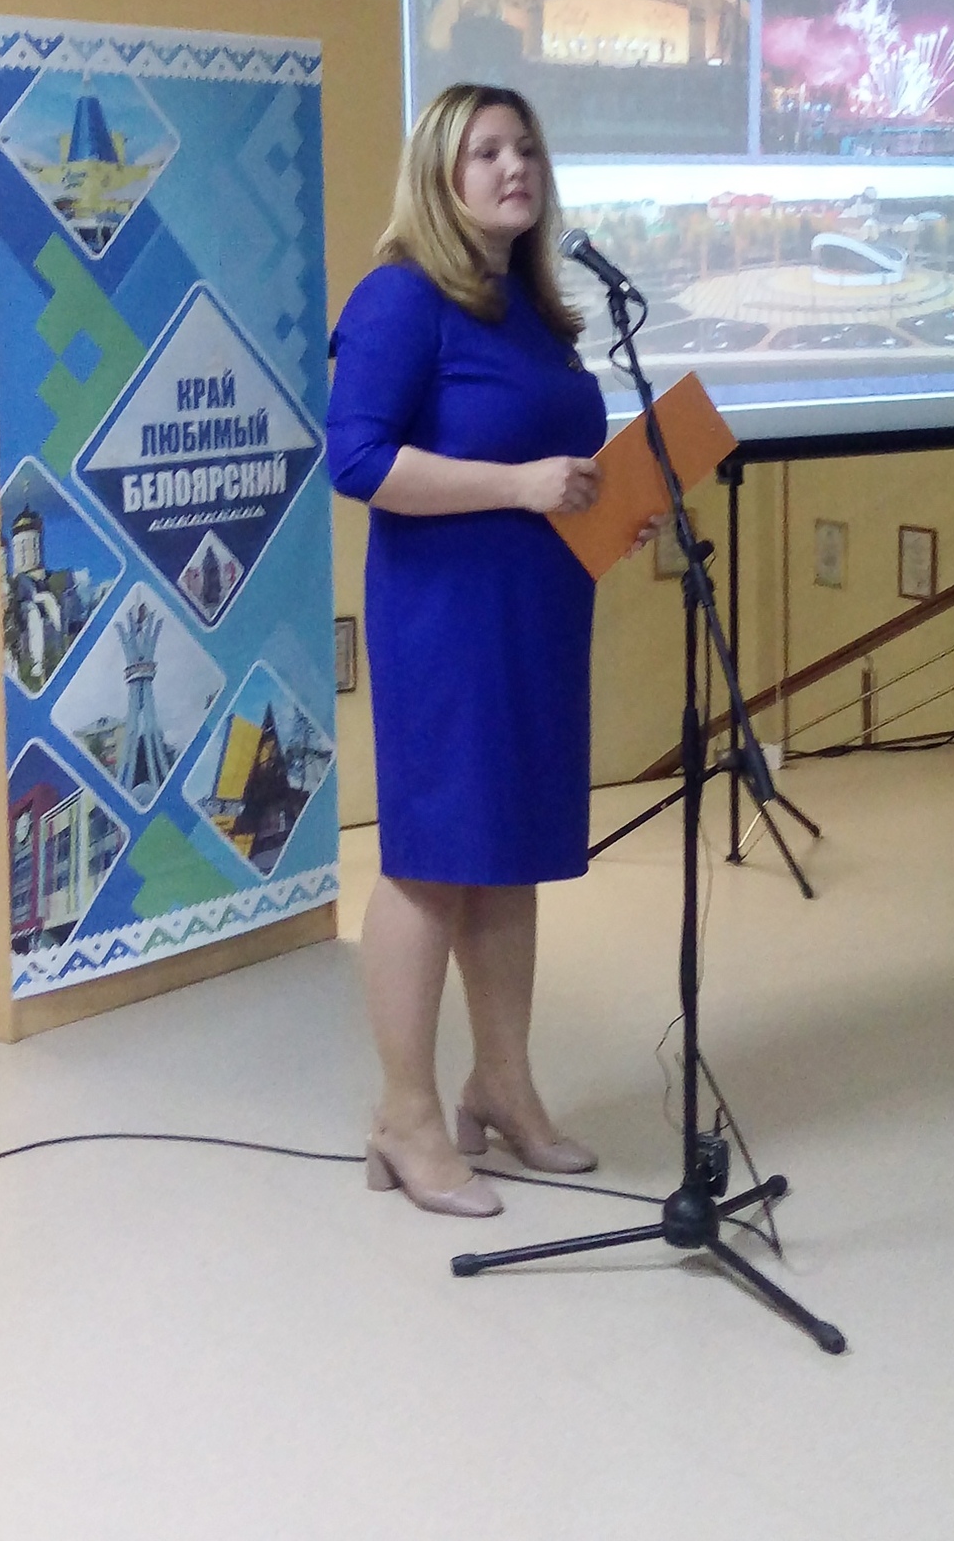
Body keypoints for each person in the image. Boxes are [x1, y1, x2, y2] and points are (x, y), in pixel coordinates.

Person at [328, 83, 650, 1218]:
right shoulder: (401, 298)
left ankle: (502, 1084)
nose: (515, 167)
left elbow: (555, 467)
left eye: (526, 149)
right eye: (486, 152)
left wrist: (608, 508)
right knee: (433, 857)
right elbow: (359, 461)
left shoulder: (538, 314)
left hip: (540, 610)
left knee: (507, 854)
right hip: (446, 622)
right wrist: (519, 486)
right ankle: (406, 1117)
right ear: (440, 175)